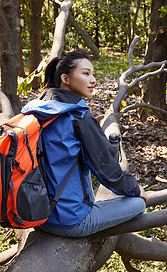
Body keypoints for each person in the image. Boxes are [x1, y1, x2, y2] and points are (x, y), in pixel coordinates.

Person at [21, 49, 147, 237]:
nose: (93, 80)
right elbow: (107, 170)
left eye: (93, 74)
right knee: (139, 204)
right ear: (66, 78)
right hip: (70, 221)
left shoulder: (37, 110)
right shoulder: (78, 116)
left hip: (38, 215)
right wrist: (136, 189)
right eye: (86, 73)